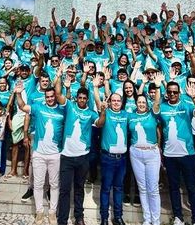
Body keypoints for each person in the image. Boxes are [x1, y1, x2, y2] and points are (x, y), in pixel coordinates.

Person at [14, 78, 66, 225]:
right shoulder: (38, 107)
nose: (50, 99)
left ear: (55, 96)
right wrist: (18, 94)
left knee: (55, 184)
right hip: (39, 153)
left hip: (56, 153)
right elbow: (23, 107)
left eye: (52, 96)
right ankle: (39, 212)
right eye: (47, 97)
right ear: (45, 97)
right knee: (38, 184)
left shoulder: (62, 110)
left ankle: (52, 213)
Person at [154, 80, 195, 225]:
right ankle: (178, 217)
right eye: (169, 92)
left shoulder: (186, 105)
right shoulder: (162, 107)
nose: (172, 94)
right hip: (170, 156)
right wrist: (158, 87)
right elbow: (155, 112)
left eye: (175, 92)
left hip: (188, 154)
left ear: (179, 93)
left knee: (192, 188)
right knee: (174, 188)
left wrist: (194, 97)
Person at [57, 83, 99, 225]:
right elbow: (58, 95)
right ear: (77, 98)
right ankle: (62, 219)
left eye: (84, 98)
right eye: (79, 97)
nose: (81, 100)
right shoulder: (70, 106)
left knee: (79, 188)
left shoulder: (91, 113)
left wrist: (103, 112)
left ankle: (79, 217)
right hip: (67, 157)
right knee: (64, 190)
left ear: (87, 99)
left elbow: (99, 123)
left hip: (83, 157)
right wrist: (62, 82)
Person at [93, 86, 129, 225]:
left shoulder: (126, 114)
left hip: (122, 159)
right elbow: (100, 124)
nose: (115, 103)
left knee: (119, 188)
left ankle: (118, 217)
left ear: (121, 102)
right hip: (108, 158)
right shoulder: (106, 113)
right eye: (113, 100)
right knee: (106, 188)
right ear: (110, 102)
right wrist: (102, 111)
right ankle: (104, 218)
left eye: (118, 101)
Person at [128, 91, 162, 225]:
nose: (141, 104)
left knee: (153, 188)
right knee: (142, 188)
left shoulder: (152, 114)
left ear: (147, 104)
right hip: (136, 153)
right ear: (136, 104)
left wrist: (158, 87)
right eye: (139, 102)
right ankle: (147, 219)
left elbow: (157, 103)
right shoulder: (131, 116)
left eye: (143, 102)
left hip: (151, 153)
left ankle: (156, 220)